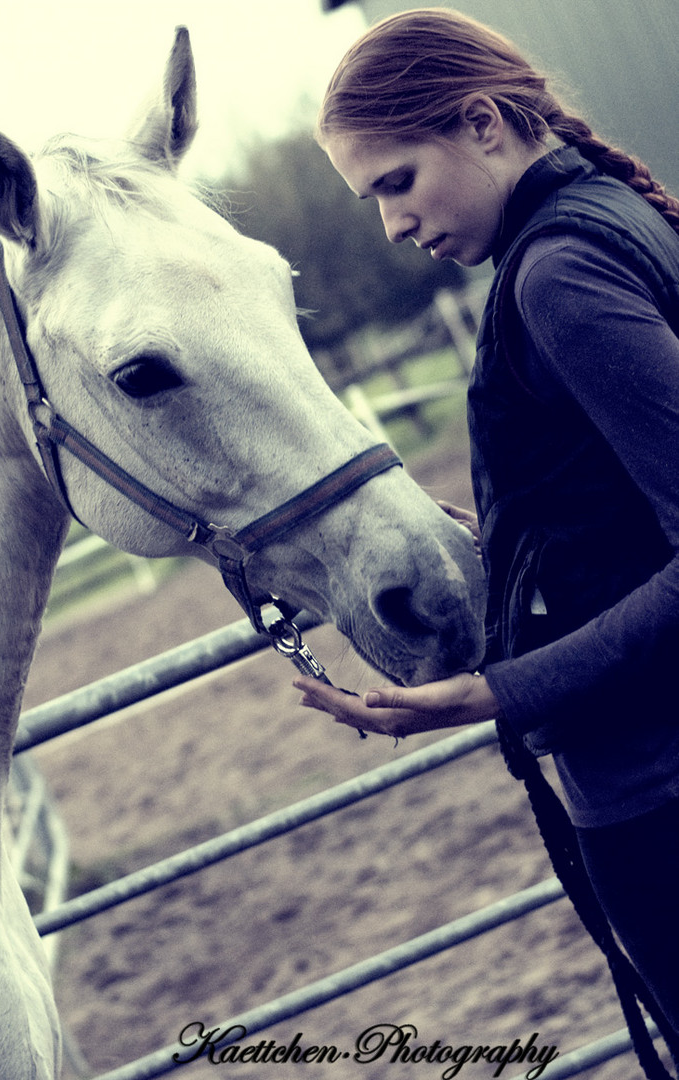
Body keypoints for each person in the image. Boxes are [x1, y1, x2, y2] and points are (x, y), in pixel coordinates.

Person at [293, 8, 679, 1075]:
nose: (390, 226)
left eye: (395, 182)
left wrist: (500, 689)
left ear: (482, 123)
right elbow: (618, 503)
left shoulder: (557, 274)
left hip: (659, 794)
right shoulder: (608, 219)